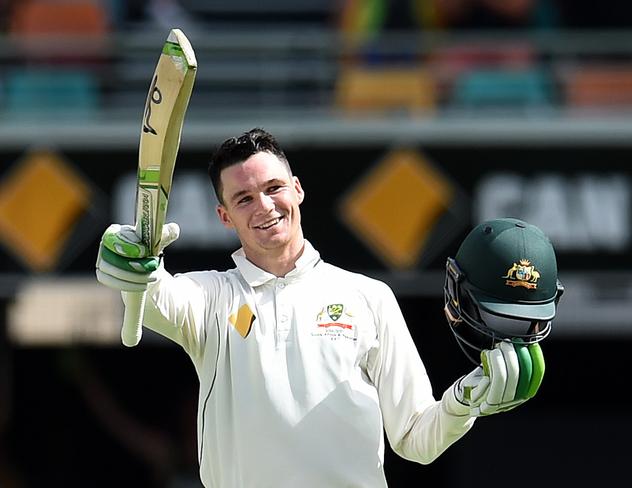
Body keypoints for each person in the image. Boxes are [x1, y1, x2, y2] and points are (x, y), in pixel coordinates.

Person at [96, 128, 563, 487]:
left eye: (274, 187)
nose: (264, 205)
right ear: (225, 216)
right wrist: (130, 260)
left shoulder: (368, 296)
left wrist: (466, 401)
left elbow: (416, 440)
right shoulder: (210, 297)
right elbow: (155, 294)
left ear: (297, 189)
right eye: (244, 198)